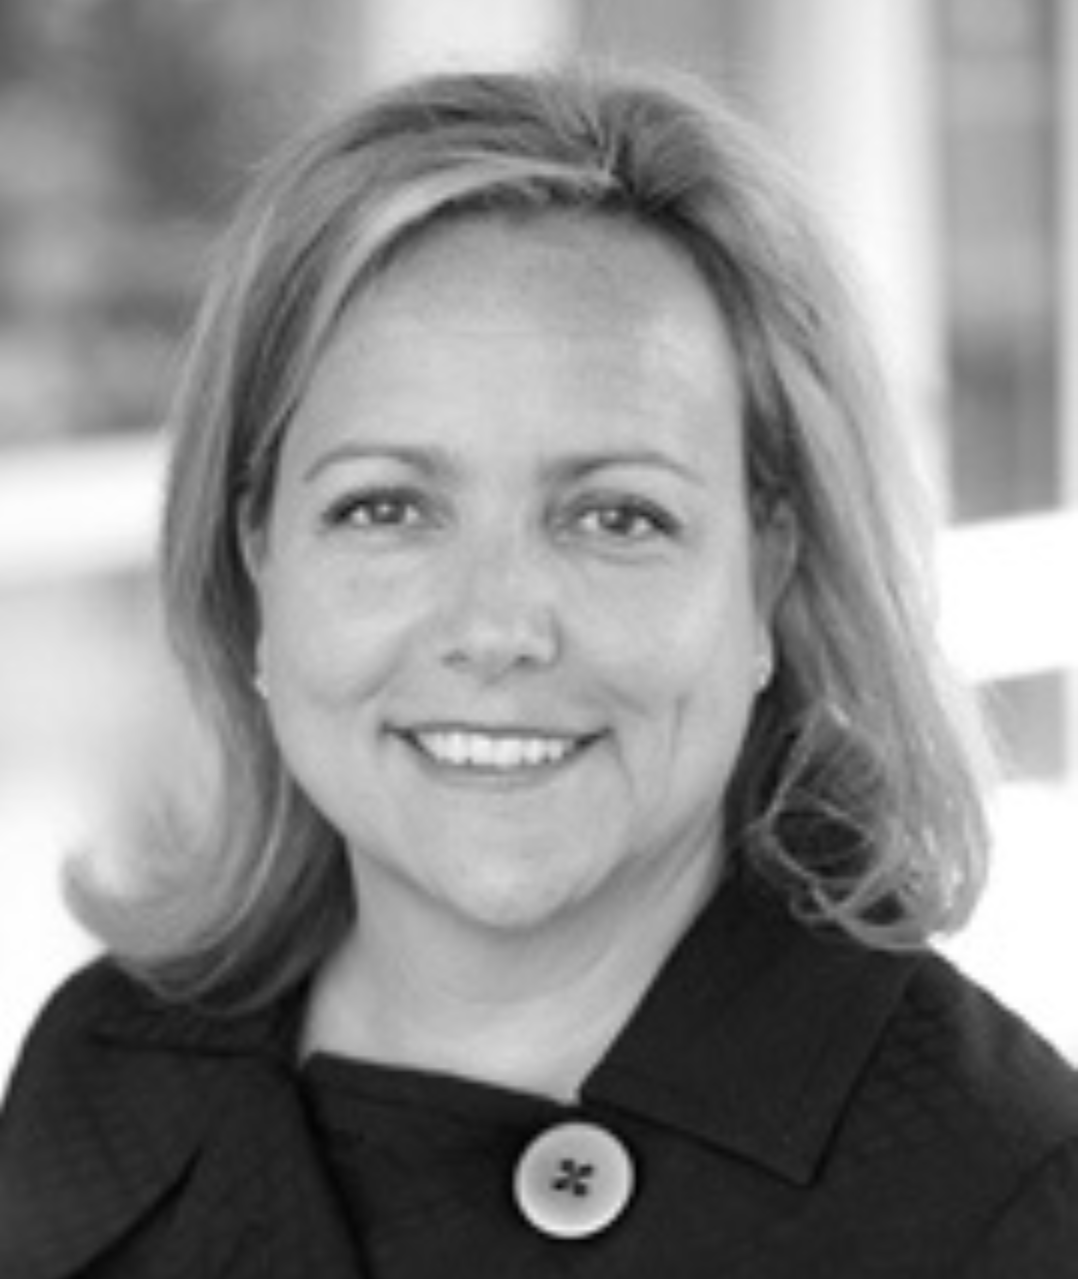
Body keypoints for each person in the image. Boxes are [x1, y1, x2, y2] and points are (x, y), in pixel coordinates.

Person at [2, 64, 1077, 1279]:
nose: (498, 626)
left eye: (616, 517)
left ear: (768, 574)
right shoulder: (105, 1073)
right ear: (256, 564)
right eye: (386, 507)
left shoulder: (1001, 1200)